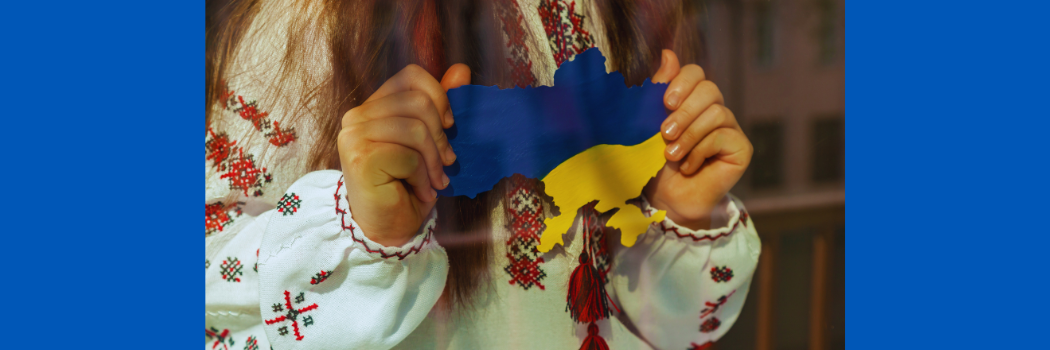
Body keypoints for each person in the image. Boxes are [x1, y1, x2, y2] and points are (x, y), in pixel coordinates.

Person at [205, 0, 759, 349]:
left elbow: (671, 326)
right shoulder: (309, 19)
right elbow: (214, 295)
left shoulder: (620, 15)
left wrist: (684, 213)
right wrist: (363, 231)